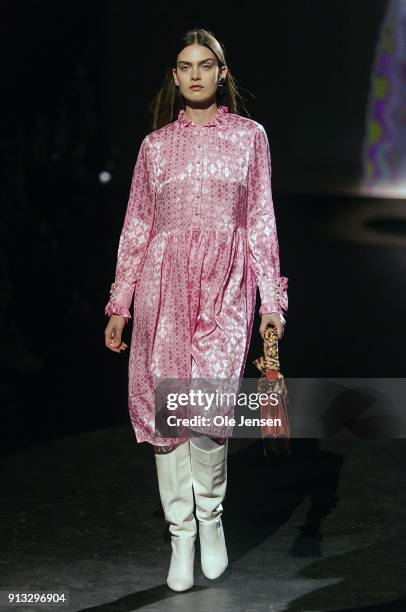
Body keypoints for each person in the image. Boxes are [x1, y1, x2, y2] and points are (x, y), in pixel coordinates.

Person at [104, 27, 288, 592]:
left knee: (206, 412)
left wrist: (271, 299)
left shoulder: (249, 138)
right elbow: (138, 224)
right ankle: (180, 534)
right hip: (164, 285)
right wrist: (121, 300)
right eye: (185, 66)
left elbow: (260, 218)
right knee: (168, 418)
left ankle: (211, 520)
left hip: (228, 284)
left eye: (205, 65)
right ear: (175, 76)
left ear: (221, 72)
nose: (195, 75)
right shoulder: (154, 147)